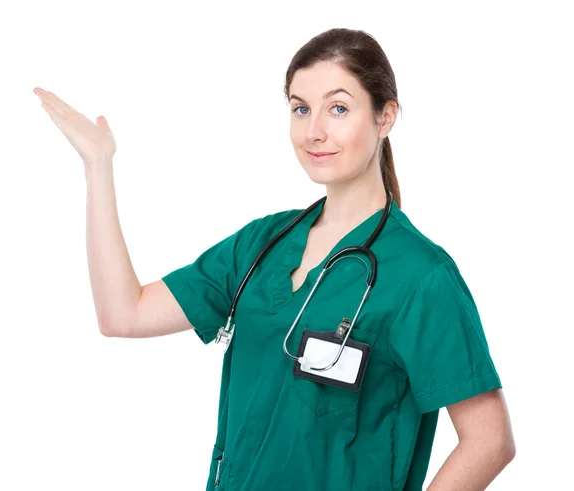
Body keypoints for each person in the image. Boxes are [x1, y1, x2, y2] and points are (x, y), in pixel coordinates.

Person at [34, 27, 515, 491]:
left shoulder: (419, 275)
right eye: (301, 109)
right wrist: (98, 166)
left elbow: (490, 441)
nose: (314, 131)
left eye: (339, 108)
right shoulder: (263, 243)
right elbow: (124, 312)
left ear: (385, 117)